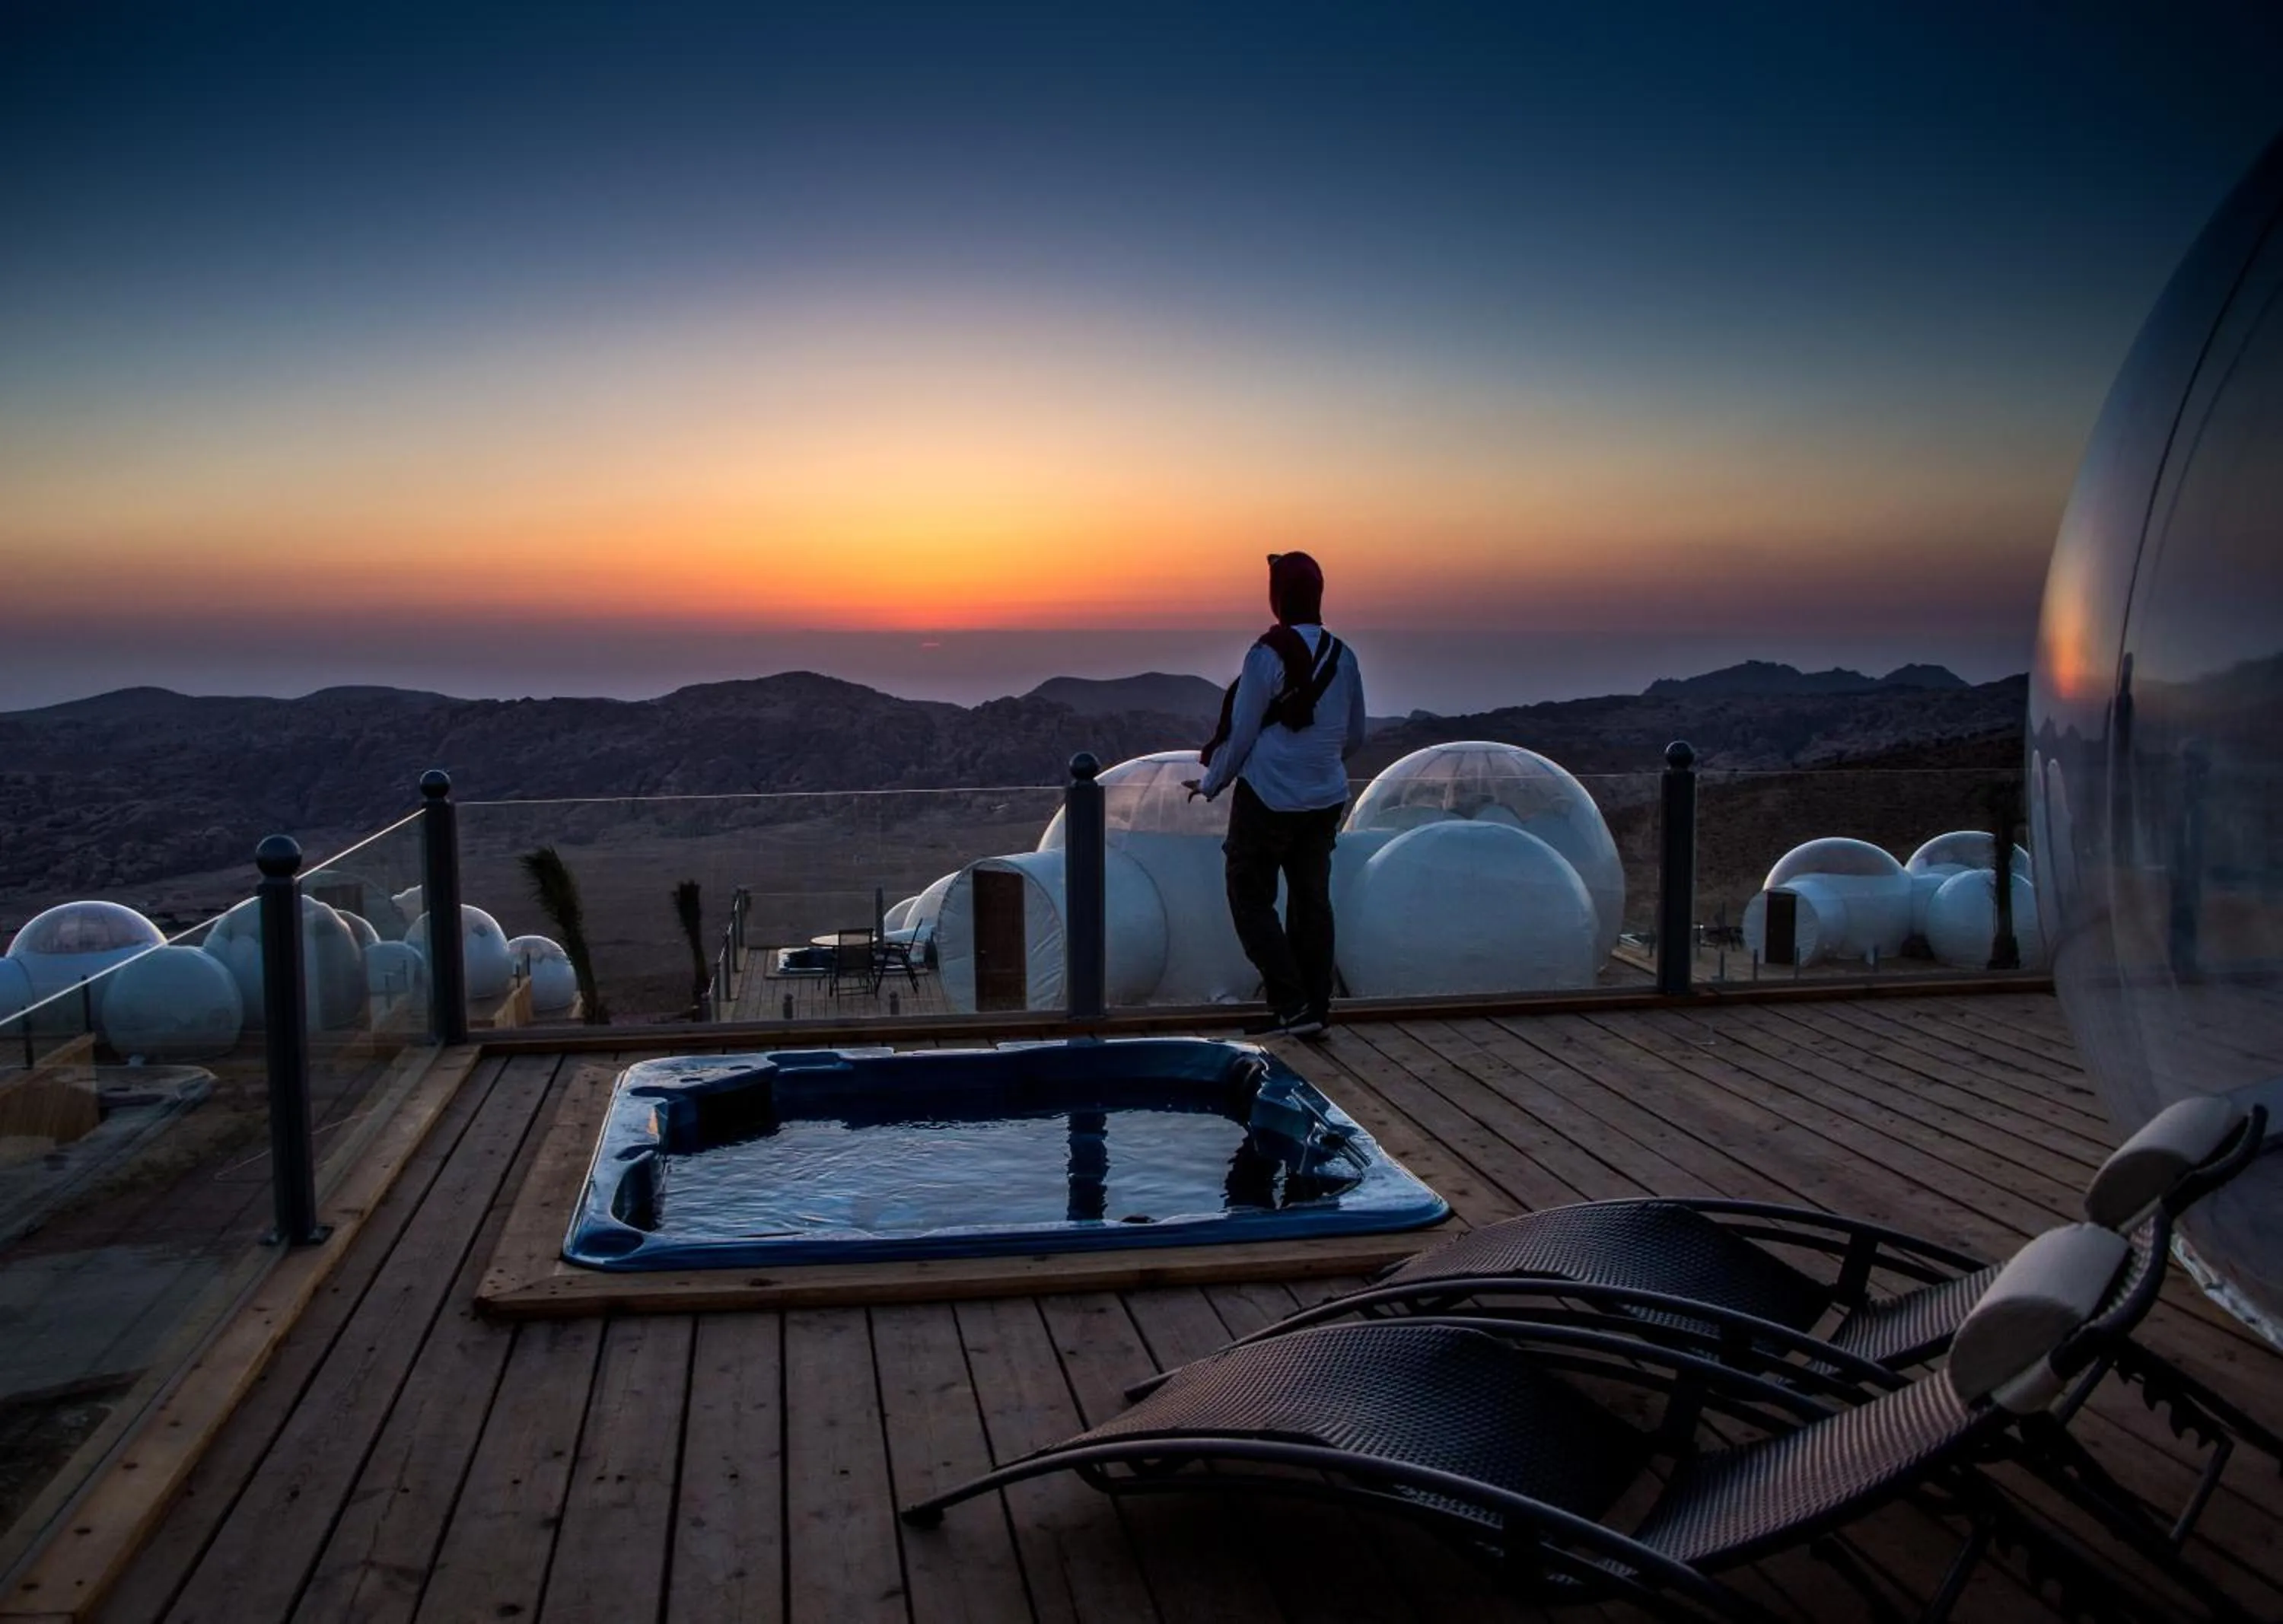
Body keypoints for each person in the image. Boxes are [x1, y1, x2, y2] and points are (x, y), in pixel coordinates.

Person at [1185, 552, 1367, 1036]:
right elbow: (1355, 735)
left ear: (1278, 597)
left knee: (1249, 897)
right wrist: (1317, 764)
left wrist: (1210, 783)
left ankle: (1290, 1004)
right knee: (1312, 903)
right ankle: (1314, 1009)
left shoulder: (1266, 656)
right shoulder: (1343, 655)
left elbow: (1241, 735)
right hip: (1324, 799)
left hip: (1266, 799)